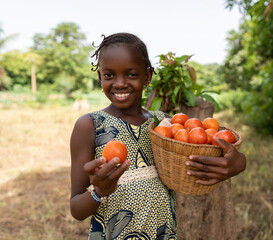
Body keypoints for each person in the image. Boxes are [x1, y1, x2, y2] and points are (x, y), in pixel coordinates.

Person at [70, 32, 246, 240]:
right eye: (109, 75)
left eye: (131, 74)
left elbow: (201, 153)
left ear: (147, 77)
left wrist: (237, 163)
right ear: (100, 77)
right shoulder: (90, 125)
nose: (119, 83)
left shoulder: (164, 124)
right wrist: (99, 191)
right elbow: (76, 209)